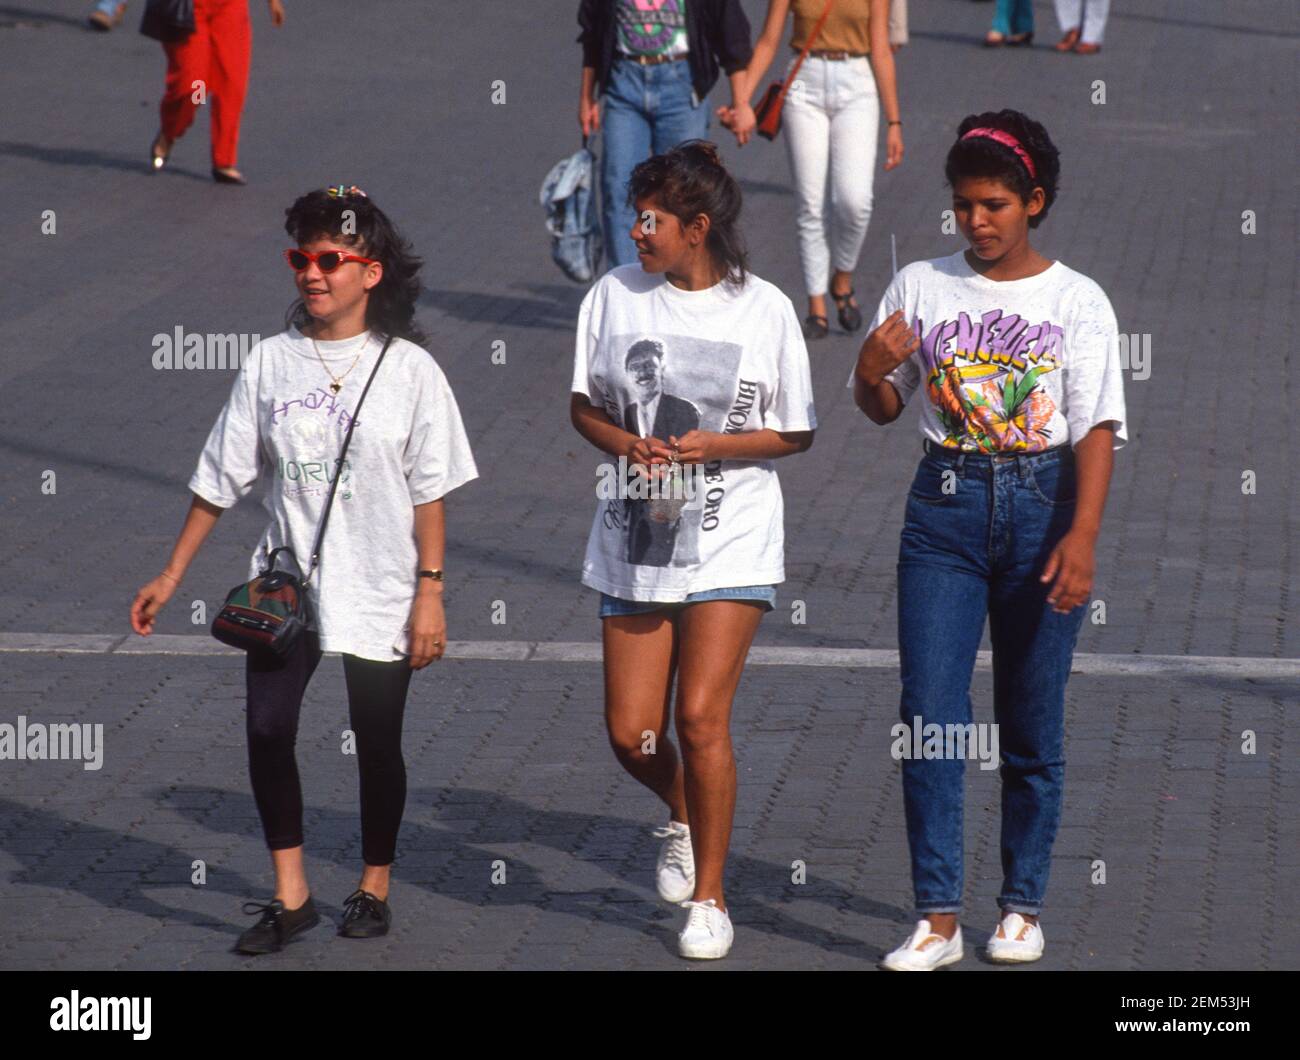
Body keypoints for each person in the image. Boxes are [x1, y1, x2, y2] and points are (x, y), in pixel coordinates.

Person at [130, 185, 478, 955]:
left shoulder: (411, 371)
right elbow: (221, 475)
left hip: (384, 585)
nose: (311, 274)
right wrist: (171, 573)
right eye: (301, 258)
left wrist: (431, 593)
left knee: (376, 739)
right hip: (289, 587)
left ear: (371, 272)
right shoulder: (270, 363)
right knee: (266, 728)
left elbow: (431, 494)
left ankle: (373, 884)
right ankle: (292, 896)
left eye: (330, 259)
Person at [847, 110, 1127, 969]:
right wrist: (866, 372)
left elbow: (1097, 427)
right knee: (929, 715)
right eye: (964, 205)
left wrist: (1080, 536)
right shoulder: (921, 287)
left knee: (1029, 720)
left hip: (1045, 506)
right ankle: (936, 916)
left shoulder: (1077, 300)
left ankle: (1021, 905)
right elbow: (885, 406)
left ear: (1034, 202)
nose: (977, 221)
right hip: (945, 509)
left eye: (996, 204)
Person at [570, 141, 816, 959]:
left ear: (698, 228)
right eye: (637, 216)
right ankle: (681, 809)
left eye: (654, 220)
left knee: (701, 716)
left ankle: (710, 898)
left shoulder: (766, 309)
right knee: (630, 734)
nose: (637, 231)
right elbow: (584, 408)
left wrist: (721, 443)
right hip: (635, 539)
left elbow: (797, 431)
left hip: (732, 540)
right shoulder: (612, 296)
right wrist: (622, 446)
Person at [719, 0, 904, 341]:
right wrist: (740, 102)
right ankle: (816, 304)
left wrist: (894, 121)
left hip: (857, 82)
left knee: (855, 200)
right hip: (804, 83)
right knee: (810, 201)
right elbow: (768, 41)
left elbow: (881, 47)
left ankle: (842, 279)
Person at [578, 0, 754, 269]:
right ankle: (630, 286)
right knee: (621, 192)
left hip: (680, 87)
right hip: (623, 85)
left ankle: (677, 282)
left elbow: (731, 30)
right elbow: (592, 30)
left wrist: (741, 103)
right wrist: (587, 96)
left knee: (682, 196)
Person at [148, 0, 286, 184]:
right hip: (191, 8)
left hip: (230, 6)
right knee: (195, 86)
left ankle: (224, 160)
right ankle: (170, 130)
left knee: (231, 82)